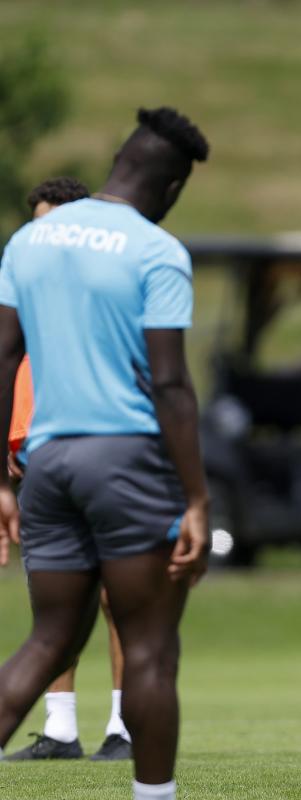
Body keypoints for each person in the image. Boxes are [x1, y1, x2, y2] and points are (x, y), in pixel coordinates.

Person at [0, 107, 251, 800]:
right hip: (126, 460)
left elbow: (3, 356)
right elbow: (170, 384)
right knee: (149, 649)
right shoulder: (155, 250)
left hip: (46, 462)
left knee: (48, 639)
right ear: (171, 186)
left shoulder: (29, 240)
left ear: (119, 160)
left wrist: (0, 483)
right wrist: (198, 497)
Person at [4, 176, 131, 764]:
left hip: (104, 454)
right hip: (37, 456)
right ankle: (59, 730)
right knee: (55, 594)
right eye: (37, 225)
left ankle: (124, 726)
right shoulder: (24, 288)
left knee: (116, 594)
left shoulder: (107, 292)